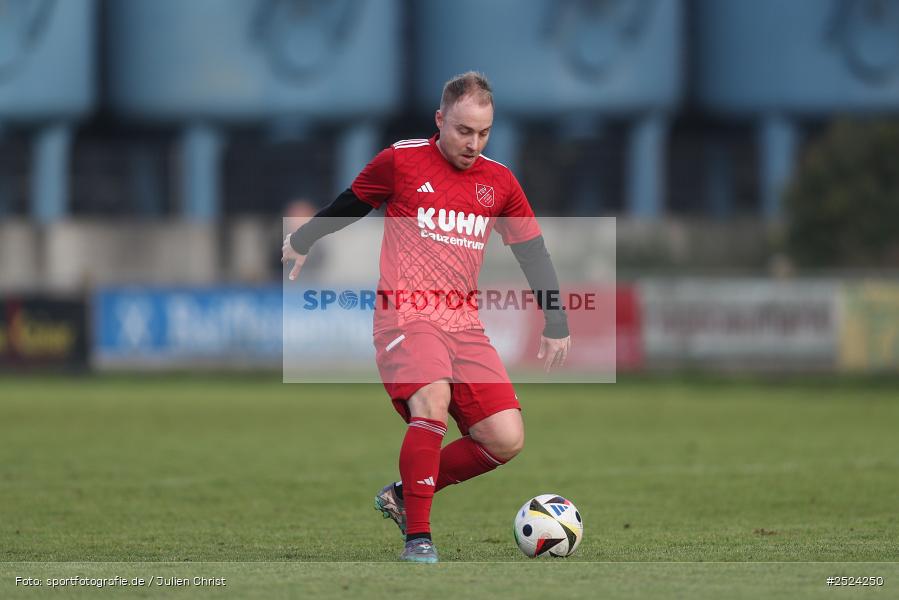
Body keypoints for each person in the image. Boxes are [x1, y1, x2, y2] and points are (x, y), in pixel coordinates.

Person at [282, 72, 571, 563]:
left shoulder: (500, 182)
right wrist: (303, 238)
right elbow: (352, 202)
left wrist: (557, 321)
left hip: (463, 324)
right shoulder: (402, 160)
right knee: (432, 398)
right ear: (440, 120)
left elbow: (532, 251)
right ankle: (419, 538)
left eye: (483, 132)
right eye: (463, 131)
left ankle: (401, 493)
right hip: (406, 317)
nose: (473, 143)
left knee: (505, 438)